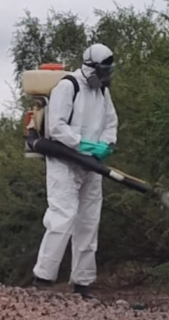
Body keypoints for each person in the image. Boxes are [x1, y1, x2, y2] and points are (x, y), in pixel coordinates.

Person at [31, 43, 118, 300]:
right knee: (63, 217)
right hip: (65, 163)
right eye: (103, 70)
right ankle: (43, 278)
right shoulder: (68, 87)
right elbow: (57, 127)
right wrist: (82, 144)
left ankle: (83, 283)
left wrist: (105, 144)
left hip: (92, 166)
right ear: (90, 67)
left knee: (89, 222)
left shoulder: (102, 91)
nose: (106, 76)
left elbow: (111, 122)